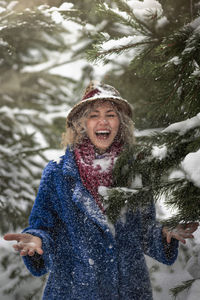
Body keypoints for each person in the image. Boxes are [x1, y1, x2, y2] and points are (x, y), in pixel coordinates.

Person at [4, 81, 199, 300]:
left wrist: (164, 234)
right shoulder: (58, 172)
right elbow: (43, 226)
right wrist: (37, 239)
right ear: (81, 123)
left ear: (121, 123)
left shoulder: (135, 170)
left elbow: (143, 231)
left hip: (129, 291)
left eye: (111, 114)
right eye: (94, 115)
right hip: (73, 291)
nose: (103, 121)